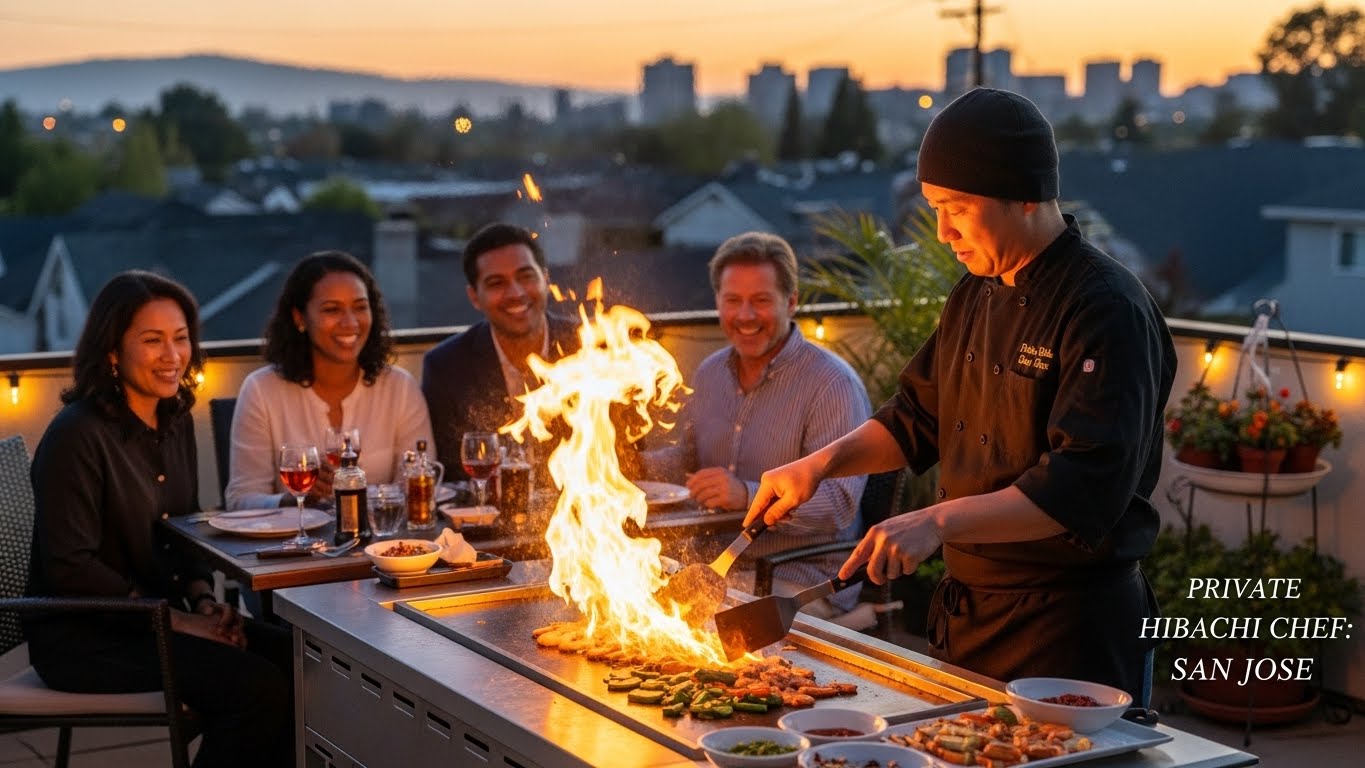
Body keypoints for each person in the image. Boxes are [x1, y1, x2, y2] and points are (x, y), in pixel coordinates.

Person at [744, 88, 1177, 704]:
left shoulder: (1106, 309)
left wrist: (934, 521)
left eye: (956, 208)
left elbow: (1080, 489)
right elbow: (916, 418)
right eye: (934, 208)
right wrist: (819, 465)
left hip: (1067, 633)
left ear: (1025, 196)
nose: (942, 231)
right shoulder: (973, 293)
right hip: (970, 622)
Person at [24, 271, 293, 767]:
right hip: (87, 638)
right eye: (152, 341)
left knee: (299, 664)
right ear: (112, 350)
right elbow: (71, 567)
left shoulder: (173, 419)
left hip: (160, 619)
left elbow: (180, 532)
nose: (172, 355)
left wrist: (204, 603)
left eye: (181, 337)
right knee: (258, 689)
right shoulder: (76, 435)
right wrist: (180, 622)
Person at [647, 232, 871, 615]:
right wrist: (621, 463)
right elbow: (687, 460)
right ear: (718, 302)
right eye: (733, 301)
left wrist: (748, 496)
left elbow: (839, 506)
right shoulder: (709, 372)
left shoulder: (832, 384)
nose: (745, 316)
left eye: (761, 301)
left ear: (792, 302)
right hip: (716, 566)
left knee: (678, 623)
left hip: (798, 577)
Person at [226, 251, 433, 511]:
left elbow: (418, 486)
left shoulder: (400, 388)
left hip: (382, 547)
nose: (350, 322)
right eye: (332, 309)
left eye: (360, 307)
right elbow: (240, 499)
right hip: (295, 548)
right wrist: (293, 500)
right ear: (299, 318)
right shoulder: (261, 390)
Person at [421, 223, 582, 481]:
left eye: (526, 276)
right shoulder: (446, 368)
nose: (516, 293)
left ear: (546, 280)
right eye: (497, 283)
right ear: (475, 297)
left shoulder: (593, 349)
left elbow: (626, 454)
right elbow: (452, 476)